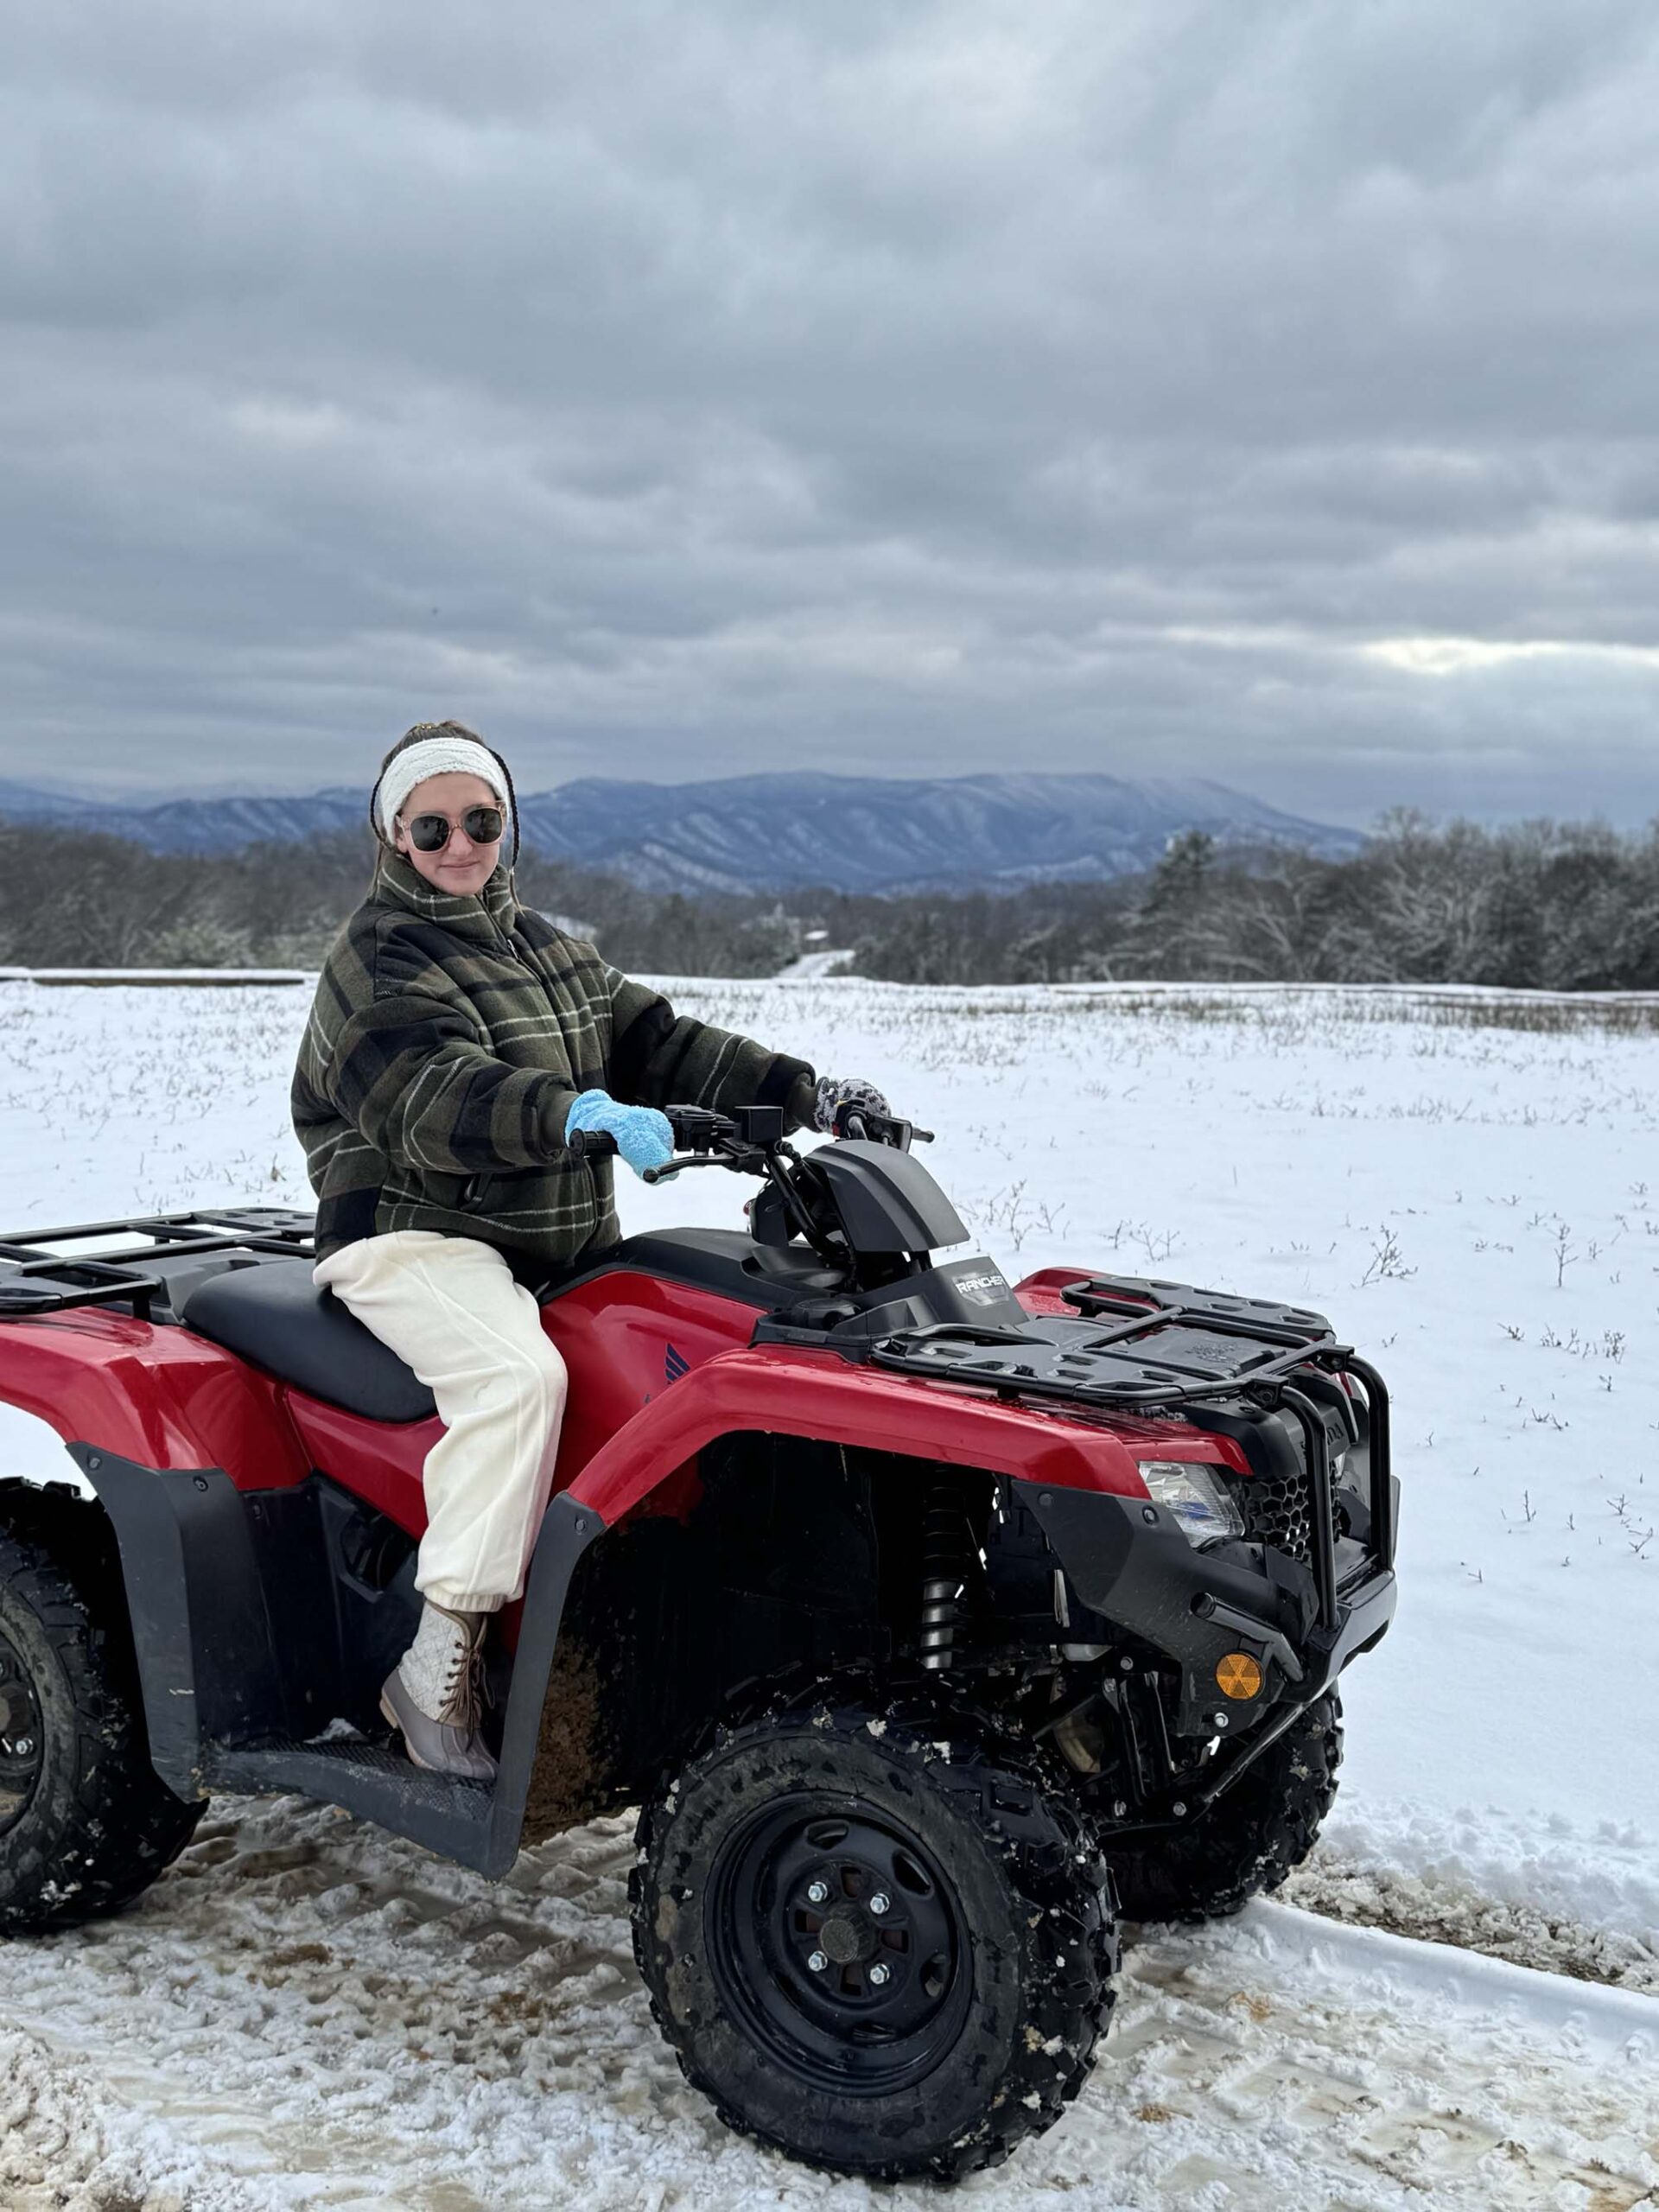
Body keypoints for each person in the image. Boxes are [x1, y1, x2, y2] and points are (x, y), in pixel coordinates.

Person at [291, 722, 887, 1782]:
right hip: (413, 1234)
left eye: (482, 820)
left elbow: (661, 1040)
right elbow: (428, 1099)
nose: (461, 844)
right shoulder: (378, 959)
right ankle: (437, 1666)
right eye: (433, 826)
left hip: (546, 1247)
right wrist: (575, 1115)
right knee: (518, 1380)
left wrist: (806, 1091)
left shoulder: (544, 947)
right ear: (393, 835)